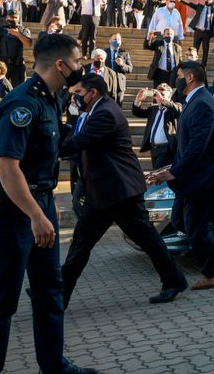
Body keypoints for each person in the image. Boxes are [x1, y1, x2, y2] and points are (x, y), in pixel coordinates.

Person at [0, 33, 99, 374]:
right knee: (2, 300)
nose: (80, 69)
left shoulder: (51, 99)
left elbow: (41, 164)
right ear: (60, 64)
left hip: (37, 204)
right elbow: (6, 168)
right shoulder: (22, 103)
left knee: (49, 291)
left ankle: (53, 365)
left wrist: (46, 204)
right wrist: (36, 215)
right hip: (13, 212)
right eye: (77, 63)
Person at [59, 74, 187, 308]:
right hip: (104, 191)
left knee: (147, 239)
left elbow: (75, 144)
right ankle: (59, 292)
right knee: (81, 242)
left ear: (93, 93)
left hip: (120, 191)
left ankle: (174, 280)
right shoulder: (98, 109)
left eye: (78, 94)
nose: (74, 98)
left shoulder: (105, 113)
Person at [148, 61, 214, 290]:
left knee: (195, 227)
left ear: (190, 77)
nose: (176, 79)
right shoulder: (193, 101)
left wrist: (171, 173)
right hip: (192, 177)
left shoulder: (202, 103)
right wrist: (170, 169)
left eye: (179, 75)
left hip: (205, 177)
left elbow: (197, 148)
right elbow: (186, 146)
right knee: (180, 221)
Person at [133, 84, 180, 170]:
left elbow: (179, 111)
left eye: (162, 95)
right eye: (157, 95)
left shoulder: (174, 108)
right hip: (153, 149)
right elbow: (137, 112)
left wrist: (163, 101)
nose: (158, 98)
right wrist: (137, 100)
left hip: (166, 149)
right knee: (157, 174)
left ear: (169, 97)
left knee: (159, 174)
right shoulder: (153, 109)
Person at [0, 12, 32, 86]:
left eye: (15, 17)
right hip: (3, 64)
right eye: (11, 17)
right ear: (7, 18)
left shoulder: (24, 30)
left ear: (18, 18)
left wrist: (18, 34)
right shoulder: (1, 30)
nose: (13, 19)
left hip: (17, 64)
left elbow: (28, 44)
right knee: (0, 88)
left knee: (19, 89)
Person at [183, 0, 214, 68]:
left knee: (205, 49)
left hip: (207, 32)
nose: (208, 1)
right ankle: (193, 63)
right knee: (195, 48)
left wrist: (212, 35)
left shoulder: (213, 10)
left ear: (212, 2)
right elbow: (190, 4)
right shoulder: (200, 7)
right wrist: (181, 0)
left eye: (209, 0)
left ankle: (203, 65)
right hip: (198, 31)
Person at [104, 33, 132, 103]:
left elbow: (130, 68)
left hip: (120, 84)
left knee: (118, 106)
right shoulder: (104, 52)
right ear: (110, 40)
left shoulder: (125, 53)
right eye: (114, 39)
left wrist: (122, 64)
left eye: (118, 39)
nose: (116, 41)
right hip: (107, 83)